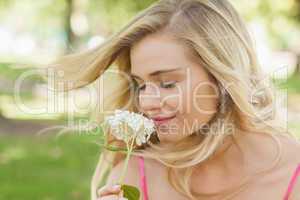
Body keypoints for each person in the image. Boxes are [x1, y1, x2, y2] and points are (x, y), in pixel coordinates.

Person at [49, 0, 300, 199]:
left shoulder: (292, 172)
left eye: (167, 83)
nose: (146, 102)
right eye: (141, 85)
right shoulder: (134, 178)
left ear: (222, 78)